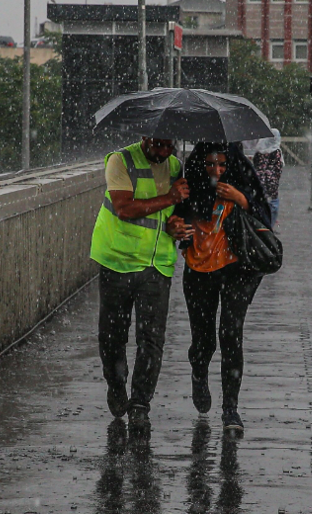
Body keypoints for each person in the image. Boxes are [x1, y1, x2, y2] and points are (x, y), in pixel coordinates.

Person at [90, 136, 192, 430]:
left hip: (156, 265)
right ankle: (116, 383)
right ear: (145, 137)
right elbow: (123, 208)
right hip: (117, 261)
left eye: (169, 146)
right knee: (112, 336)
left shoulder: (176, 167)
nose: (163, 152)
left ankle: (140, 403)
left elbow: (178, 215)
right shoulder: (120, 161)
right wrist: (170, 199)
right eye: (158, 145)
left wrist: (177, 224)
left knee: (151, 340)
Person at [175, 142, 272, 432]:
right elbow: (174, 220)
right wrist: (178, 223)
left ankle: (231, 409)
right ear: (199, 165)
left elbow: (264, 217)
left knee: (231, 334)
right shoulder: (189, 186)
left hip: (236, 270)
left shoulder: (243, 181)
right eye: (209, 164)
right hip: (199, 271)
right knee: (204, 339)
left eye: (221, 164)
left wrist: (241, 199)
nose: (216, 170)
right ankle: (199, 371)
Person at [253, 128, 285, 229]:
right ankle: (269, 226)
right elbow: (279, 167)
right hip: (272, 185)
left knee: (260, 203)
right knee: (273, 204)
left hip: (258, 184)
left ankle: (261, 224)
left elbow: (255, 165)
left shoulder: (258, 152)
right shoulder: (276, 152)